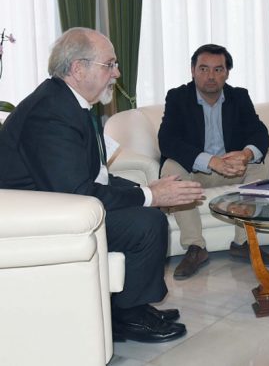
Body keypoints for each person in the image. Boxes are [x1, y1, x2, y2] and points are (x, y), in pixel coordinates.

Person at [0, 27, 204, 343]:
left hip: (58, 203)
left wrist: (148, 189)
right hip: (37, 219)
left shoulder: (68, 103)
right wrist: (150, 196)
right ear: (78, 68)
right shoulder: (50, 113)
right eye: (109, 65)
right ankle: (128, 317)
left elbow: (94, 176)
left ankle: (131, 307)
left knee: (147, 212)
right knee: (146, 223)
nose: (117, 73)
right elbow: (76, 192)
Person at [158, 43, 269, 279]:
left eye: (218, 69)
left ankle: (244, 243)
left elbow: (259, 132)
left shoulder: (239, 96)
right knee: (171, 167)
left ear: (227, 73)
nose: (210, 76)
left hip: (233, 169)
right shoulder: (178, 97)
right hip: (197, 172)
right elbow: (167, 141)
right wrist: (210, 161)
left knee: (265, 160)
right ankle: (196, 247)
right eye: (203, 69)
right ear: (192, 70)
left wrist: (245, 155)